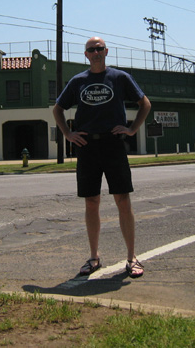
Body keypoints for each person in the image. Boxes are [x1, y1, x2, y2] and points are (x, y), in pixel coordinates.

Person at [53, 36, 152, 278]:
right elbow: (58, 109)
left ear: (106, 51)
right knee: (91, 201)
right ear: (85, 55)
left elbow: (145, 104)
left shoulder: (119, 78)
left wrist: (132, 129)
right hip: (87, 146)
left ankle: (131, 258)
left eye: (99, 49)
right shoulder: (78, 81)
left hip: (113, 144)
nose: (96, 52)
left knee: (122, 200)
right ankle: (94, 257)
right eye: (91, 50)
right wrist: (68, 133)